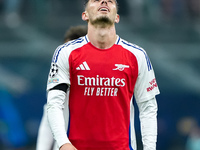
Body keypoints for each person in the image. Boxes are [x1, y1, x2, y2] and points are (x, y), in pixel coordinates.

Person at [46, 0, 160, 150]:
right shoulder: (66, 53)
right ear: (84, 15)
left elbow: (148, 108)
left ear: (117, 17)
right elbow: (54, 103)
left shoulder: (137, 55)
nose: (104, 1)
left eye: (110, 1)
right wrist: (63, 143)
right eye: (95, 0)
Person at [36, 25, 87, 150]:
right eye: (65, 49)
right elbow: (49, 120)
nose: (67, 54)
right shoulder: (59, 79)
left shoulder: (102, 82)